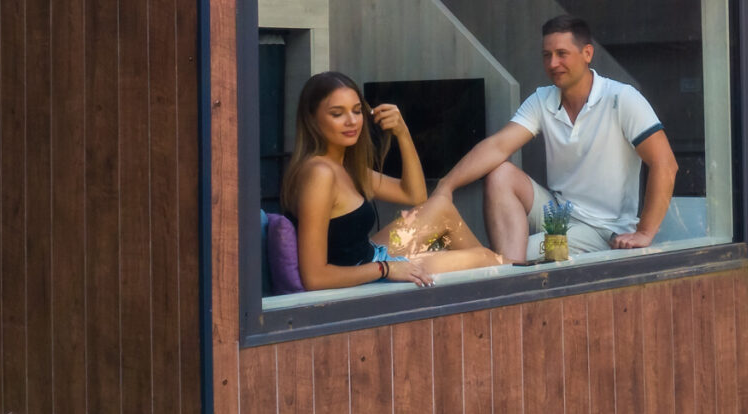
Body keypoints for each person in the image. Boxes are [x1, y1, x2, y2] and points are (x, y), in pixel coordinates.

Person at [423, 15, 678, 262]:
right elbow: (497, 146)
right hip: (560, 214)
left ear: (587, 54)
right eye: (547, 55)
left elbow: (665, 163)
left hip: (603, 230)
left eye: (561, 54)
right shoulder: (542, 99)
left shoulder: (621, 98)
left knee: (521, 255)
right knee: (500, 172)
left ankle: (504, 269)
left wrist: (644, 232)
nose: (553, 63)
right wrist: (445, 187)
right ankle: (506, 269)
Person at [282, 72, 503, 290]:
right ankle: (501, 287)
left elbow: (415, 195)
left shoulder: (344, 166)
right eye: (337, 114)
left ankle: (493, 282)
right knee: (483, 258)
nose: (351, 121)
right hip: (362, 278)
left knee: (441, 207)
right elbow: (315, 278)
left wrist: (403, 133)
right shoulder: (320, 174)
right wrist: (385, 269)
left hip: (372, 257)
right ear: (312, 119)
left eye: (357, 111)